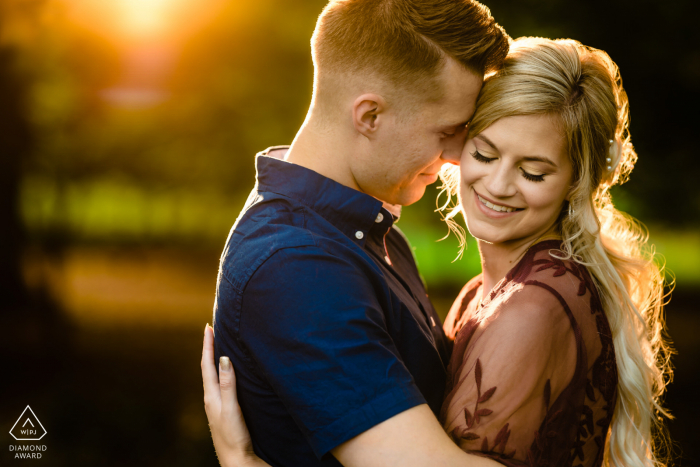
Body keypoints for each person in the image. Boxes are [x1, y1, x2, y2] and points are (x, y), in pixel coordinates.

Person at [203, 36, 673, 467]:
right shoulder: (479, 293)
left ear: (575, 182)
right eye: (485, 154)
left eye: (533, 172)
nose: (498, 184)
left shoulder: (530, 309)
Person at [210, 0, 510, 466]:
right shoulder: (295, 267)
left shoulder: (364, 228)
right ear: (369, 116)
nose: (456, 155)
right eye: (447, 131)